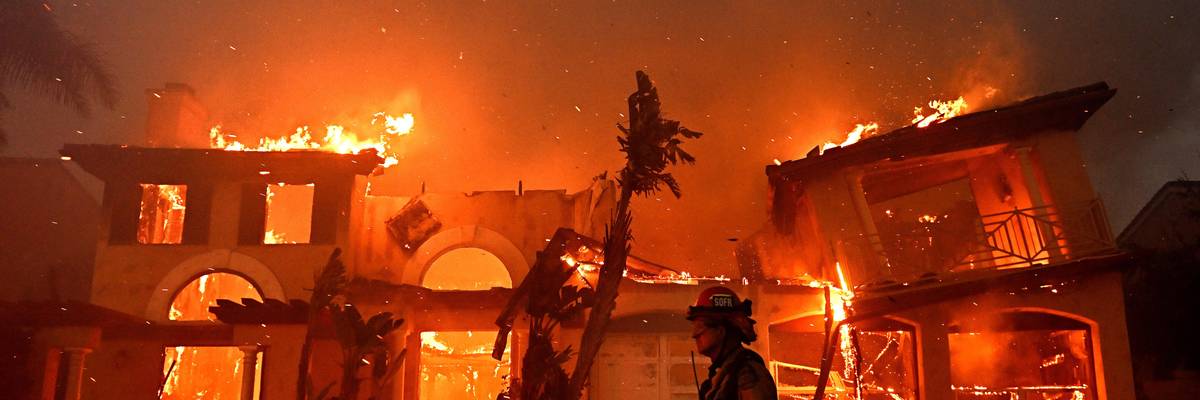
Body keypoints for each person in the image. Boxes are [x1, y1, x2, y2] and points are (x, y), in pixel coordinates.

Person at [687, 286, 778, 400]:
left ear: (721, 331)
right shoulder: (724, 376)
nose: (694, 335)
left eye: (700, 327)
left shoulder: (748, 376)